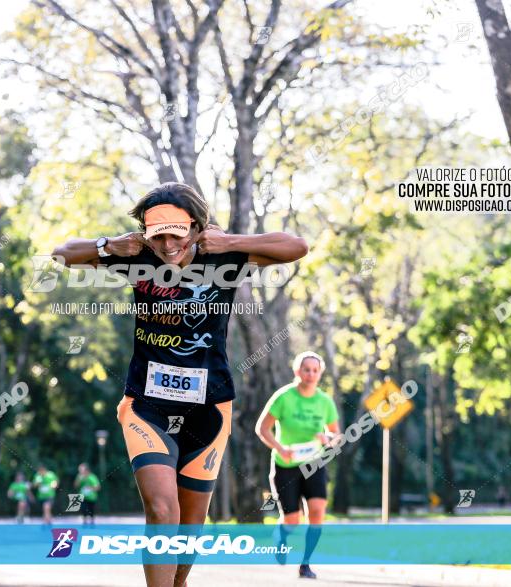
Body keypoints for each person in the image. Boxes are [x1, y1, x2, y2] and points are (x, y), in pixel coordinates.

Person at [52, 182, 308, 587]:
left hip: (210, 408)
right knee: (161, 511)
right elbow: (63, 253)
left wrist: (230, 240)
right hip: (146, 406)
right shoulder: (138, 258)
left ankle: (178, 582)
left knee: (189, 529)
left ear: (195, 226)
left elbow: (297, 246)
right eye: (158, 235)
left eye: (176, 233)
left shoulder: (222, 256)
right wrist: (108, 245)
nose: (168, 244)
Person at [256, 351, 340, 580]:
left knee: (317, 512)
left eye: (315, 370)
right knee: (292, 520)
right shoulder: (284, 397)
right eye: (306, 369)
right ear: (297, 371)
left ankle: (305, 564)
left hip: (315, 464)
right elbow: (262, 428)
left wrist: (328, 438)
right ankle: (280, 536)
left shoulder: (325, 401)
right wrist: (279, 447)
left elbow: (336, 434)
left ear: (320, 373)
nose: (311, 374)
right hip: (286, 465)